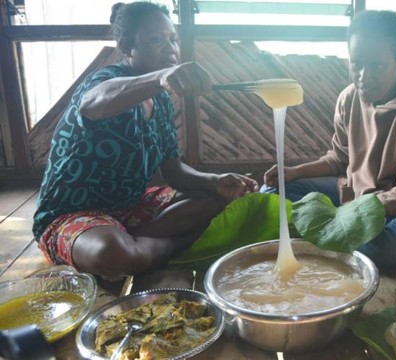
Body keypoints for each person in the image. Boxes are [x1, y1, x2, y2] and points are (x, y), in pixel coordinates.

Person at [32, 1, 258, 281]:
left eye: (172, 39)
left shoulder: (161, 100)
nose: (170, 48)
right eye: (155, 39)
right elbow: (93, 102)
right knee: (113, 253)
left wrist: (216, 180)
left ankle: (139, 244)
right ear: (127, 47)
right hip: (71, 213)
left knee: (223, 199)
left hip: (130, 205)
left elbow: (175, 173)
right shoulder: (107, 80)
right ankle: (150, 248)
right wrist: (160, 77)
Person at [261, 10, 396, 267]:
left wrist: (356, 212)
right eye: (356, 64)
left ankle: (323, 238)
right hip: (355, 191)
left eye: (376, 66)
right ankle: (337, 238)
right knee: (272, 192)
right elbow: (340, 159)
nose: (364, 76)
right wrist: (294, 172)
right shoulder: (350, 97)